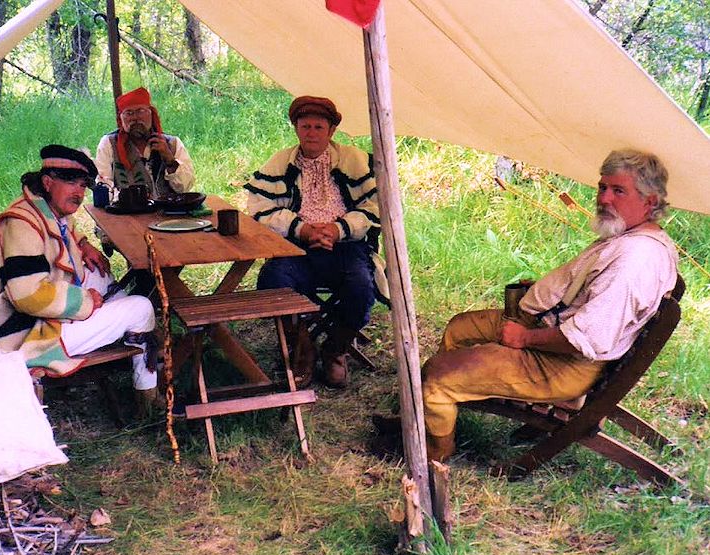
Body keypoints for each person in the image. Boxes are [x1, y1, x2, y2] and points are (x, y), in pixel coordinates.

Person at [421, 149, 678, 462]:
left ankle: (432, 454)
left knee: (437, 376)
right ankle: (433, 416)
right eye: (602, 187)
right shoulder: (632, 235)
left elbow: (587, 338)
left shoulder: (636, 260)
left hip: (563, 363)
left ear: (650, 202)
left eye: (618, 190)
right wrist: (552, 294)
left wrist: (524, 339)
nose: (604, 198)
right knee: (461, 327)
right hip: (552, 333)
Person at [0, 145, 161, 415]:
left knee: (101, 275)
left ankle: (130, 334)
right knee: (141, 306)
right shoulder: (23, 224)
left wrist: (83, 245)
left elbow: (63, 228)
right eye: (71, 183)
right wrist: (84, 302)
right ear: (47, 182)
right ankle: (149, 398)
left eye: (83, 185)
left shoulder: (41, 209)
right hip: (19, 336)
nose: (79, 193)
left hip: (37, 319)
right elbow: (28, 295)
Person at [245, 96, 388, 389]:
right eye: (305, 126)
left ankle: (335, 348)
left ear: (331, 131)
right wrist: (302, 229)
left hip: (345, 245)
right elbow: (259, 209)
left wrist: (338, 229)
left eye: (318, 127)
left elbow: (376, 207)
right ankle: (303, 345)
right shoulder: (280, 162)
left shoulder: (354, 160)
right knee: (274, 280)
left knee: (361, 286)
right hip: (297, 245)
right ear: (296, 128)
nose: (311, 132)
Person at [95, 87, 194, 202]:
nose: (135, 118)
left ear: (151, 114)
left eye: (140, 111)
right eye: (129, 113)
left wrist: (170, 161)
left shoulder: (172, 143)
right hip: (127, 214)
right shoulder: (109, 144)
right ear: (121, 119)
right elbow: (104, 187)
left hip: (167, 213)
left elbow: (184, 188)